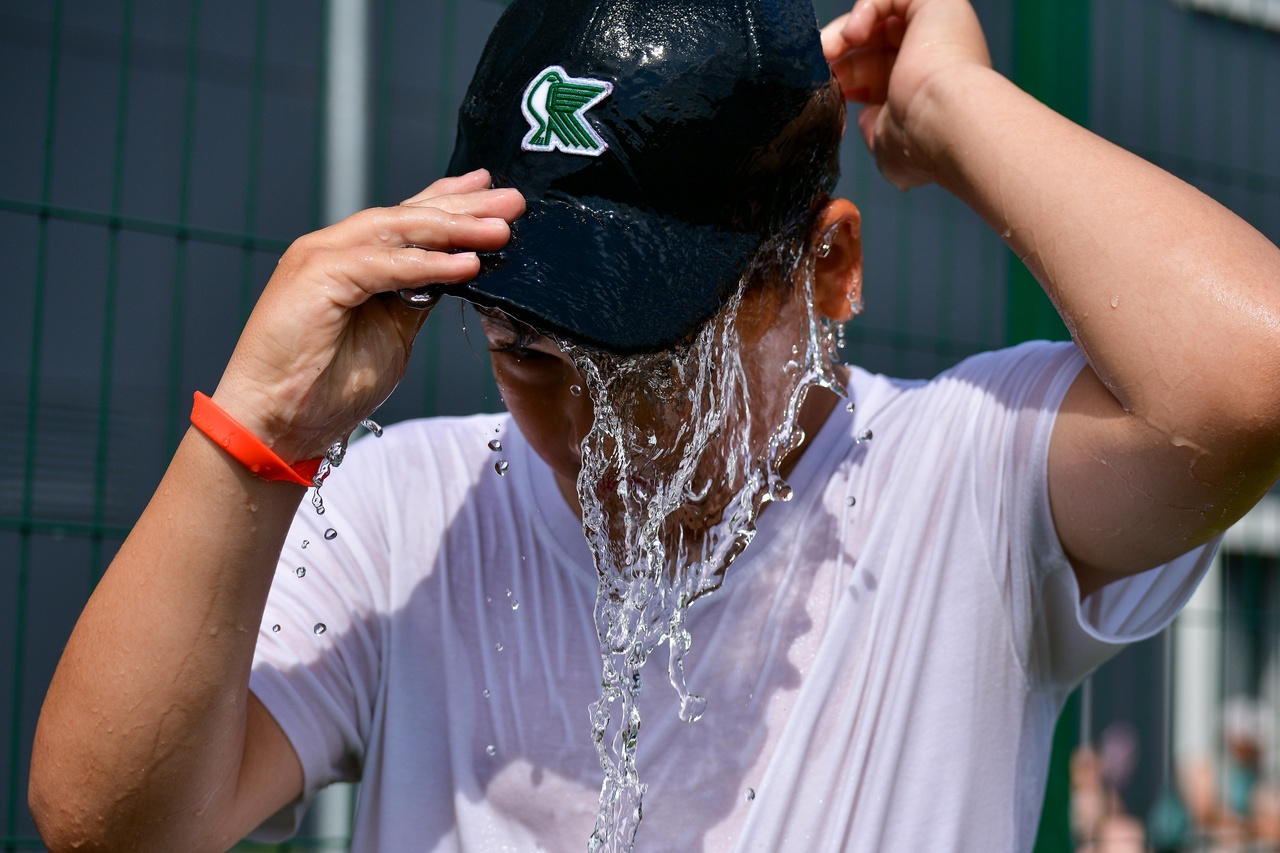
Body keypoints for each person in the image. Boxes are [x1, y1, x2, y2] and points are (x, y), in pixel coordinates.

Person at [28, 0, 1280, 850]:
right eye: (527, 353)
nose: (589, 427)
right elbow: (108, 825)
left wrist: (954, 102)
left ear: (827, 270)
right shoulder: (406, 513)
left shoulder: (962, 482)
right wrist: (255, 430)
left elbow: (1247, 375)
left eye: (651, 365)